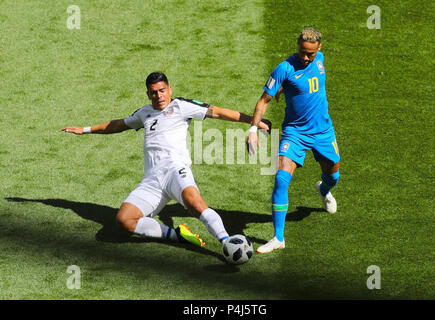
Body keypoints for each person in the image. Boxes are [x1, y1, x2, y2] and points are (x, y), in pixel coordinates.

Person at [62, 72, 271, 247]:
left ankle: (226, 242)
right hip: (152, 180)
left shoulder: (181, 106)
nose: (159, 96)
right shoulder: (144, 113)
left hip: (175, 170)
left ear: (169, 89)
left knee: (195, 205)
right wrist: (85, 130)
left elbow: (219, 113)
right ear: (148, 94)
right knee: (124, 221)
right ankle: (176, 236)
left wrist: (255, 122)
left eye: (162, 90)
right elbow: (117, 125)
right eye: (154, 92)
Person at [246, 28, 341, 254]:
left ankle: (324, 191)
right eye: (301, 52)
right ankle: (279, 237)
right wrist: (252, 129)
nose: (305, 58)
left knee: (333, 176)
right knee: (280, 178)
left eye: (310, 53)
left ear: (319, 48)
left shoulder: (320, 59)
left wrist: (283, 88)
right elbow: (263, 101)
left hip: (323, 132)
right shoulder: (285, 68)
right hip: (295, 133)